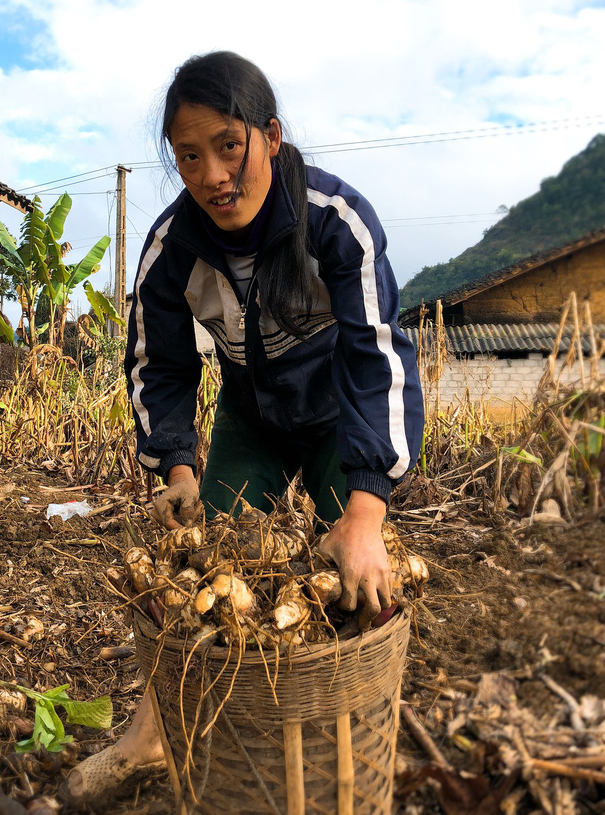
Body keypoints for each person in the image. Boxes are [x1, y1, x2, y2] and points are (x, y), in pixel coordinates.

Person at [63, 50, 424, 804]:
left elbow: (377, 358)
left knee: (357, 576)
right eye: (188, 157)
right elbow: (158, 364)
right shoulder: (173, 248)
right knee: (209, 576)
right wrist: (179, 469)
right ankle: (156, 731)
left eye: (230, 146)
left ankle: (360, 726)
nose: (213, 174)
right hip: (250, 413)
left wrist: (364, 509)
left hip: (337, 412)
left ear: (271, 137)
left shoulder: (336, 223)